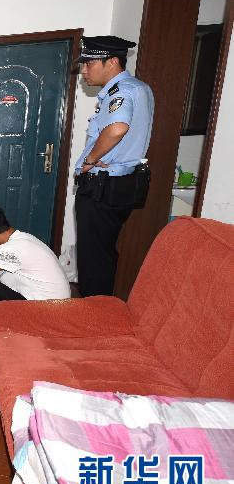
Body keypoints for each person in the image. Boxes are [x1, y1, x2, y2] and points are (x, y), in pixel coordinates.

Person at [74, 36, 154, 297]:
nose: (84, 71)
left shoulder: (120, 91)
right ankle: (101, 308)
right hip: (119, 185)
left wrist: (90, 160)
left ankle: (93, 313)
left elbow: (117, 128)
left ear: (112, 62)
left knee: (93, 258)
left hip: (103, 186)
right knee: (103, 254)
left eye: (89, 64)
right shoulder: (139, 88)